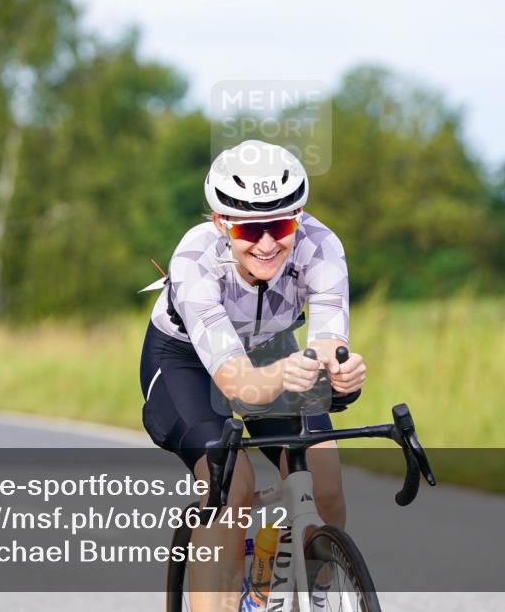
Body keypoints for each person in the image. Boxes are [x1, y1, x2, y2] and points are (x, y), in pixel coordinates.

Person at [139, 140, 367, 611]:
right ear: (221, 222)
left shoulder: (321, 246)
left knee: (324, 483)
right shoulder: (195, 260)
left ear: (299, 215)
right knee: (231, 487)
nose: (266, 243)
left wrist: (342, 373)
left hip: (271, 352)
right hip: (187, 363)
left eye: (280, 224)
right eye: (249, 229)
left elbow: (328, 343)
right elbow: (237, 386)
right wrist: (290, 372)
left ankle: (318, 595)